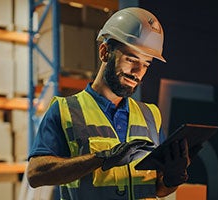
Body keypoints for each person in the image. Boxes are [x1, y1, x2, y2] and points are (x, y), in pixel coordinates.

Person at [26, 7, 191, 200]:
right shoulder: (65, 111)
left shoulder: (151, 116)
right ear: (104, 52)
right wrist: (100, 159)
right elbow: (35, 174)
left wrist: (172, 179)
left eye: (146, 64)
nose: (138, 71)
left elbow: (157, 189)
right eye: (131, 59)